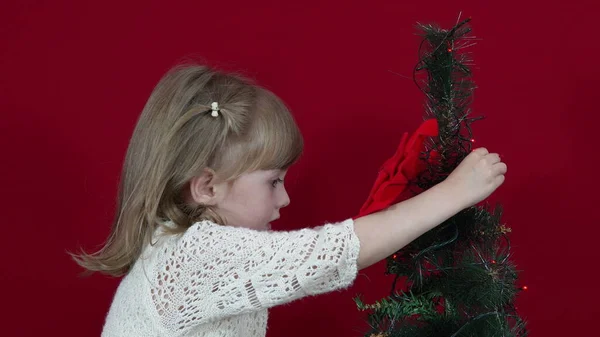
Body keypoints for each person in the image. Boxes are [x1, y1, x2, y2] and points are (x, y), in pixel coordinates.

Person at [72, 64, 507, 337]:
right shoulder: (196, 254)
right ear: (207, 188)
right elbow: (332, 254)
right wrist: (452, 193)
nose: (285, 199)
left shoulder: (174, 242)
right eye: (273, 181)